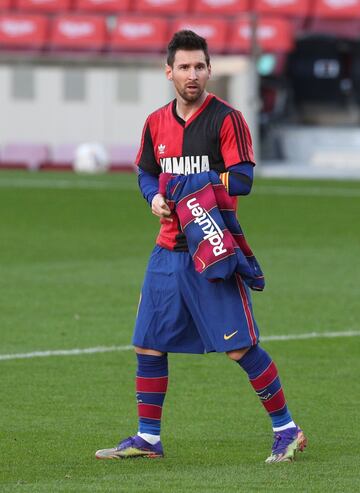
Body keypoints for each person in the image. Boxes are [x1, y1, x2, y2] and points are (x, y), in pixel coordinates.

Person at [95, 30, 307, 463]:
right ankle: (148, 438)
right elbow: (145, 171)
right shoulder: (156, 122)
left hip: (211, 246)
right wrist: (154, 195)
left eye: (200, 66)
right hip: (167, 250)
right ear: (168, 71)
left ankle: (288, 429)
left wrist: (186, 186)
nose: (193, 75)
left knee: (238, 345)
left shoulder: (226, 119)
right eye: (184, 67)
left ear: (210, 70)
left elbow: (242, 180)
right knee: (149, 342)